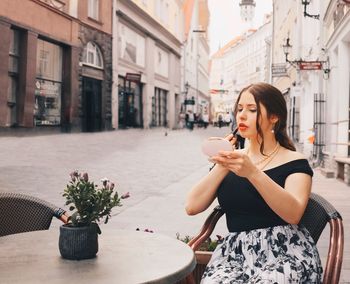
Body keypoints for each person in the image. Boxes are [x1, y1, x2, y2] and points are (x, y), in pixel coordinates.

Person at [185, 82, 322, 283]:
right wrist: (223, 164)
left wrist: (253, 173)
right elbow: (192, 206)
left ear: (274, 117)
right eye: (239, 109)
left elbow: (293, 214)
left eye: (252, 110)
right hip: (235, 255)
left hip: (284, 253)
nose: (241, 115)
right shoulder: (233, 160)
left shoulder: (295, 162)